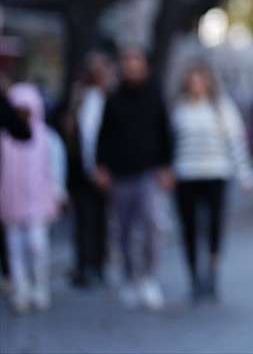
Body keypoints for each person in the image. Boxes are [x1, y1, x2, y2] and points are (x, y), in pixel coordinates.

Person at [169, 61, 253, 303]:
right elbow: (168, 143)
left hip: (215, 172)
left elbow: (236, 142)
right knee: (188, 227)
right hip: (185, 174)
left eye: (199, 79)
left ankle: (212, 272)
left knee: (214, 225)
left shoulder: (221, 107)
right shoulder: (178, 108)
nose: (195, 84)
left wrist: (246, 175)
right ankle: (193, 277)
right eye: (191, 79)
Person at [95, 45, 174, 311]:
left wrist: (166, 166)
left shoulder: (155, 96)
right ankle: (130, 278)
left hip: (148, 172)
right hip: (120, 174)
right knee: (124, 230)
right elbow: (103, 135)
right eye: (126, 60)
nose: (130, 65)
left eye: (135, 60)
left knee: (153, 224)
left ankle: (149, 277)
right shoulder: (114, 98)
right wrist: (101, 166)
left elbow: (165, 132)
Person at [0, 83, 66, 313]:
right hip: (10, 200)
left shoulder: (46, 136)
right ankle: (21, 288)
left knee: (36, 245)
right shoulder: (5, 137)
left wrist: (58, 191)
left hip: (38, 199)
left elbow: (56, 164)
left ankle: (40, 285)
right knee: (14, 248)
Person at [56, 50, 113, 289]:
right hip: (78, 167)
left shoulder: (110, 97)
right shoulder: (76, 96)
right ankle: (83, 265)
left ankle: (98, 264)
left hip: (102, 167)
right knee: (81, 219)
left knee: (99, 218)